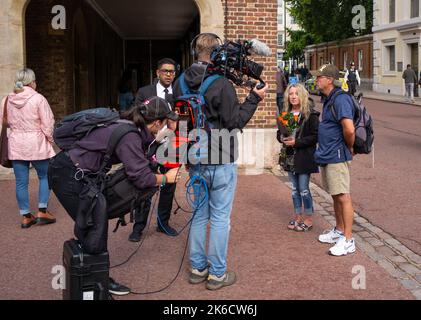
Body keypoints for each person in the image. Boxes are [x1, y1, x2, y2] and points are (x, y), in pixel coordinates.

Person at [48, 96, 180, 295]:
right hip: (67, 176)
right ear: (157, 122)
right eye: (167, 123)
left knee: (94, 227)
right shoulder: (130, 135)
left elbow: (139, 160)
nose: (170, 127)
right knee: (93, 227)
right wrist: (166, 179)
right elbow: (142, 178)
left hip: (78, 174)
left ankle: (94, 280)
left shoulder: (130, 127)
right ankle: (94, 285)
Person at [173, 33, 268, 290]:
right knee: (220, 218)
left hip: (194, 156)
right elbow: (234, 122)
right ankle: (217, 273)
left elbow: (180, 122)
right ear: (217, 54)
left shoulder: (179, 83)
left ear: (195, 51)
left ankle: (197, 268)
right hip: (221, 157)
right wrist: (254, 98)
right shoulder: (221, 84)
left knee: (198, 216)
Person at [0, 68, 56, 228]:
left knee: (21, 182)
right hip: (36, 142)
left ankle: (25, 216)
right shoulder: (39, 99)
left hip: (16, 143)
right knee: (45, 176)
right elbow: (48, 122)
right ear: (32, 82)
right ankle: (42, 211)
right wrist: (49, 140)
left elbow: (5, 122)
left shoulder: (7, 100)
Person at [130, 58, 179, 241]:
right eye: (165, 71)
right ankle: (138, 226)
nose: (169, 74)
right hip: (149, 144)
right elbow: (136, 116)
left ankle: (162, 223)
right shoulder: (145, 92)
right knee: (146, 183)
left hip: (172, 145)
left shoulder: (179, 93)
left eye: (172, 72)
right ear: (157, 73)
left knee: (169, 184)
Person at [311, 64, 356, 256]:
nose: (316, 80)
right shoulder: (329, 99)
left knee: (343, 195)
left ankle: (348, 239)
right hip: (328, 153)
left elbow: (349, 128)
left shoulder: (341, 99)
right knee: (335, 194)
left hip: (337, 153)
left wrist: (350, 146)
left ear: (329, 79)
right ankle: (339, 230)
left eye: (319, 77)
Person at [277, 83, 319, 232]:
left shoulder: (310, 115)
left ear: (302, 96)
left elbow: (314, 137)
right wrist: (281, 137)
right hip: (289, 157)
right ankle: (297, 216)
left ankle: (308, 218)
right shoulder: (286, 114)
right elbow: (279, 133)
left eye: (296, 93)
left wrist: (297, 142)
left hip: (304, 157)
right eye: (291, 93)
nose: (293, 96)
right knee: (294, 190)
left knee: (304, 189)